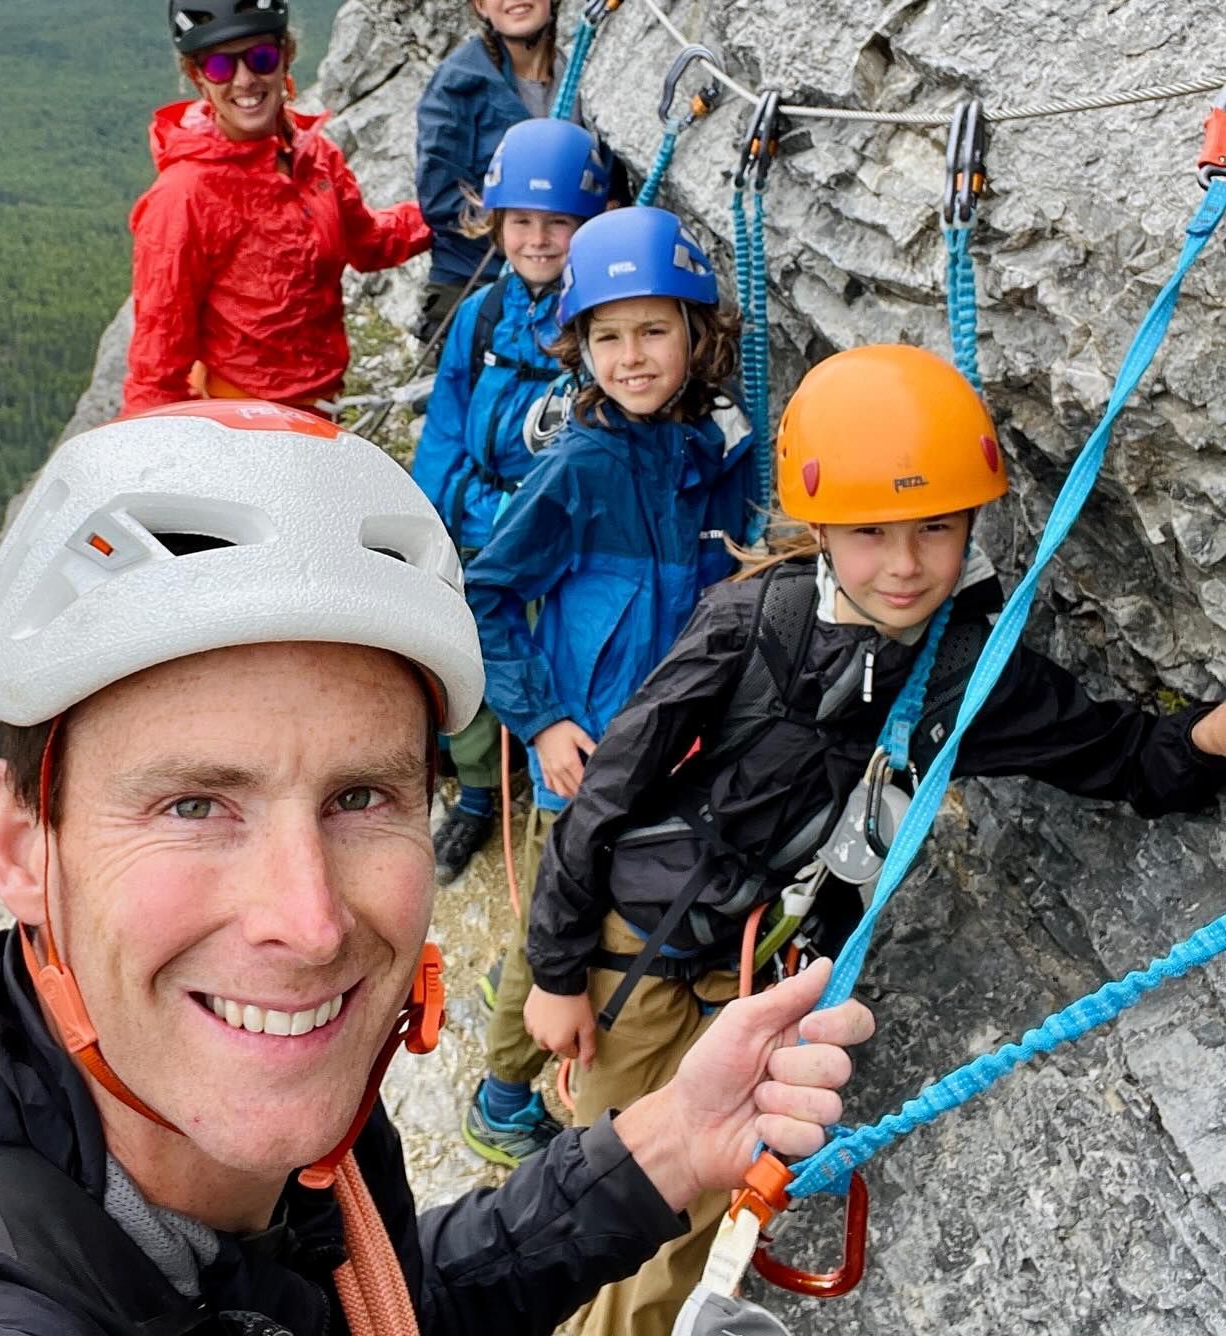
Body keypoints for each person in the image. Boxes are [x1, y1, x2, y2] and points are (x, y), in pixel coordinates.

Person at [0, 402, 873, 1336]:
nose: (308, 924)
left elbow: (377, 1304)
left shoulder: (260, 1126)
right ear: (25, 845)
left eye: (361, 798)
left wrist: (668, 1143)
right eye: (194, 805)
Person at [522, 343, 1226, 1336]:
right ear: (819, 529)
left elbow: (1126, 759)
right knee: (604, 1158)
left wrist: (1207, 735)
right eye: (870, 533)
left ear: (974, 526)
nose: (905, 565)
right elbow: (609, 791)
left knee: (691, 1197)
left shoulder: (971, 680)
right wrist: (555, 974)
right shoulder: (751, 622)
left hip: (764, 973)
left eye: (937, 529)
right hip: (641, 936)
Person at [459, 206, 757, 1169]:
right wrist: (542, 721)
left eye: (653, 330)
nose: (631, 358)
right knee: (558, 921)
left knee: (611, 912)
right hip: (585, 751)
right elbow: (489, 591)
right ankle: (504, 1096)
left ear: (696, 334)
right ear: (579, 347)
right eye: (606, 336)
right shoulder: (582, 466)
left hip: (678, 747)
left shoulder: (714, 455)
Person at [412, 117, 611, 884]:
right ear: (495, 223)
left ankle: (543, 781)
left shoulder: (598, 319)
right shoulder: (483, 314)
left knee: (544, 659)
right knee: (466, 654)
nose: (535, 239)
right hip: (476, 524)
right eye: (520, 221)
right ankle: (476, 794)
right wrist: (448, 518)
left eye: (557, 222)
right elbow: (446, 431)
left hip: (554, 540)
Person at [124, 0, 430, 413]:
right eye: (220, 65)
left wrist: (456, 213)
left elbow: (368, 243)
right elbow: (157, 370)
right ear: (196, 77)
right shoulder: (182, 197)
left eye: (261, 56)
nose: (244, 80)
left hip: (319, 413)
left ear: (286, 56)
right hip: (241, 427)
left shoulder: (316, 158)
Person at [414, 0, 627, 346]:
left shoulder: (589, 76)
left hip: (570, 272)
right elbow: (439, 199)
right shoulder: (459, 85)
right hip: (476, 283)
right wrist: (522, 230)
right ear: (480, 2)